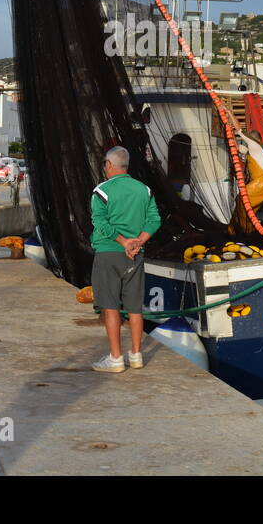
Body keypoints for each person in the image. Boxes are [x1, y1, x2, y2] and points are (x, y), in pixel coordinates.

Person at [89, 146, 160, 373]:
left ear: (109, 165)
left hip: (109, 253)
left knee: (110, 308)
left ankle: (116, 358)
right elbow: (154, 220)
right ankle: (136, 355)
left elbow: (99, 222)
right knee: (135, 308)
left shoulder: (102, 191)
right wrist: (137, 241)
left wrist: (124, 242)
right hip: (135, 255)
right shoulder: (144, 190)